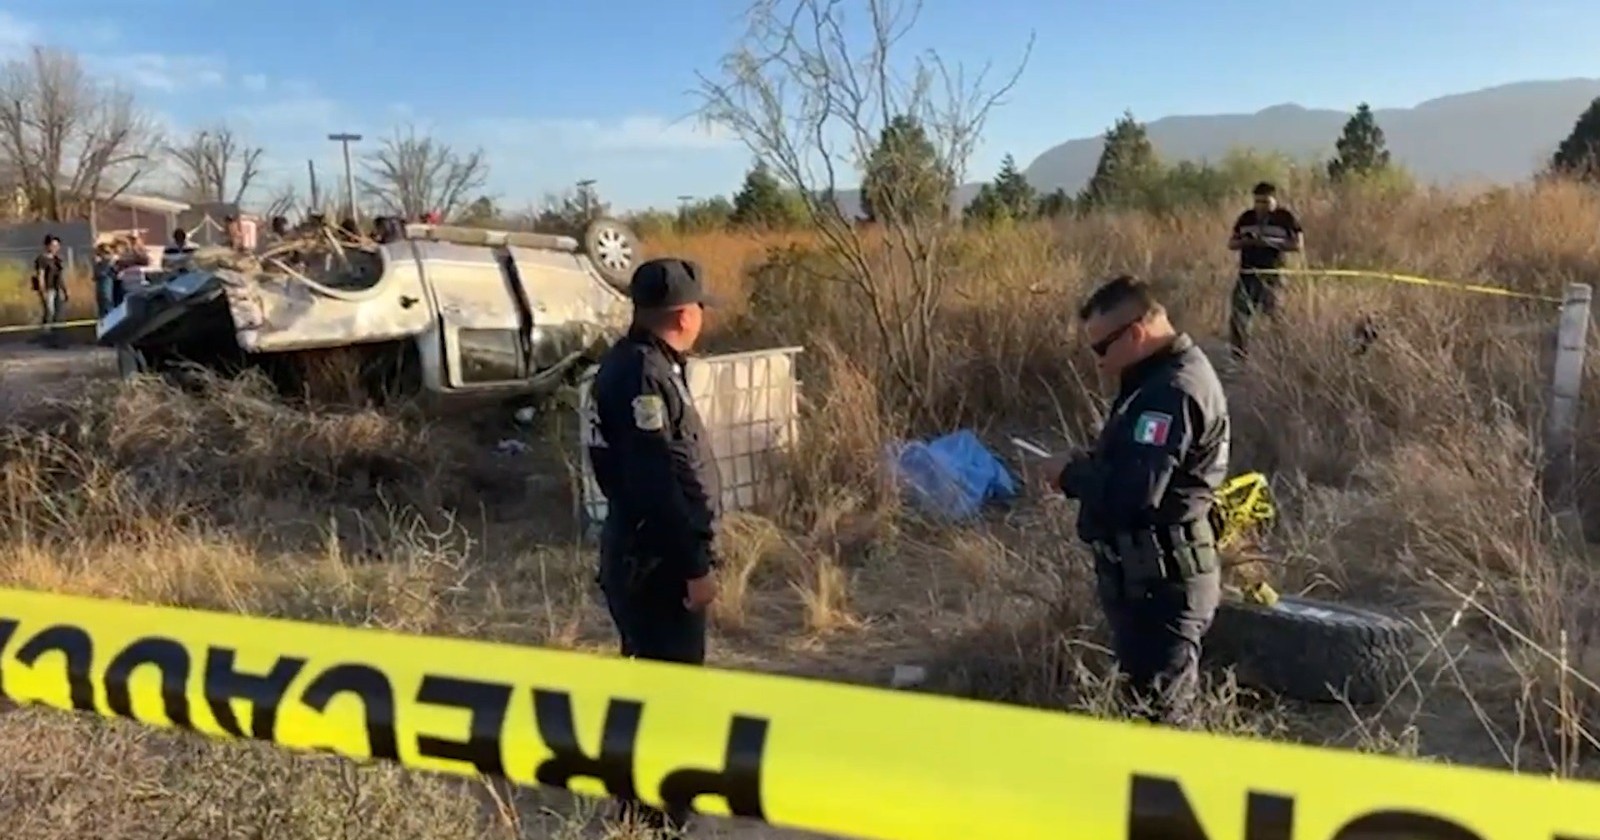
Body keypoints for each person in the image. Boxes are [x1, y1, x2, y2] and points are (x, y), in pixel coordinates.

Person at [1033, 275, 1230, 727]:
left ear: (1136, 333)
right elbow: (1137, 466)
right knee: (1145, 712)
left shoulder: (1172, 391)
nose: (1099, 362)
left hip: (1164, 587)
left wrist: (1070, 476)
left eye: (1102, 349)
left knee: (1160, 724)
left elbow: (1134, 494)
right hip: (1148, 581)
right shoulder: (1155, 379)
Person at [583, 257, 722, 834]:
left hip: (645, 552)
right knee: (668, 688)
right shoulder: (643, 375)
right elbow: (656, 483)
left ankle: (646, 805)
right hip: (656, 561)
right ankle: (653, 816)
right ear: (685, 316)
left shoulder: (643, 366)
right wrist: (693, 566)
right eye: (700, 309)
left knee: (653, 682)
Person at [1226, 181, 1303, 359]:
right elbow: (1232, 243)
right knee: (1239, 316)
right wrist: (1247, 241)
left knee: (1275, 316)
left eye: (1265, 202)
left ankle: (1281, 355)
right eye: (1258, 202)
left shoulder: (1285, 218)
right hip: (1247, 273)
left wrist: (1268, 242)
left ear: (1274, 200)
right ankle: (1239, 356)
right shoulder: (1246, 218)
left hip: (1273, 274)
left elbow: (1297, 245)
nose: (1261, 206)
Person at [32, 234, 67, 345]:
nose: (55, 248)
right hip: (48, 289)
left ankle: (56, 335)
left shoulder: (57, 259)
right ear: (47, 245)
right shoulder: (42, 259)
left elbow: (60, 276)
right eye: (53, 245)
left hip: (57, 288)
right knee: (49, 311)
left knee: (58, 312)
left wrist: (65, 290)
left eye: (57, 246)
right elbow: (40, 275)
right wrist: (43, 291)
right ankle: (45, 335)